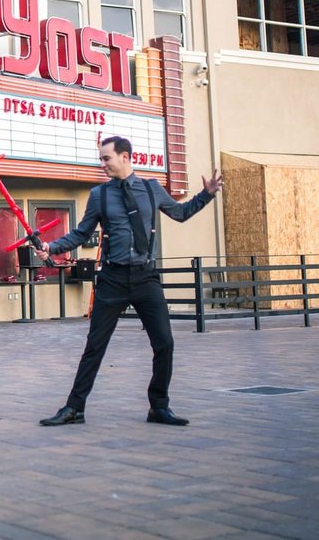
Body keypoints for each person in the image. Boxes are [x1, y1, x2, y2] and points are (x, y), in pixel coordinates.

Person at [37, 136, 223, 428]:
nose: (102, 164)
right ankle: (75, 408)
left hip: (145, 277)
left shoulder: (151, 188)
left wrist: (206, 195)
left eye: (106, 158)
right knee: (95, 346)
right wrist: (52, 247)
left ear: (124, 156)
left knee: (164, 342)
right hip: (112, 278)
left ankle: (159, 407)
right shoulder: (100, 194)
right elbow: (82, 233)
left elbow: (181, 213)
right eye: (101, 159)